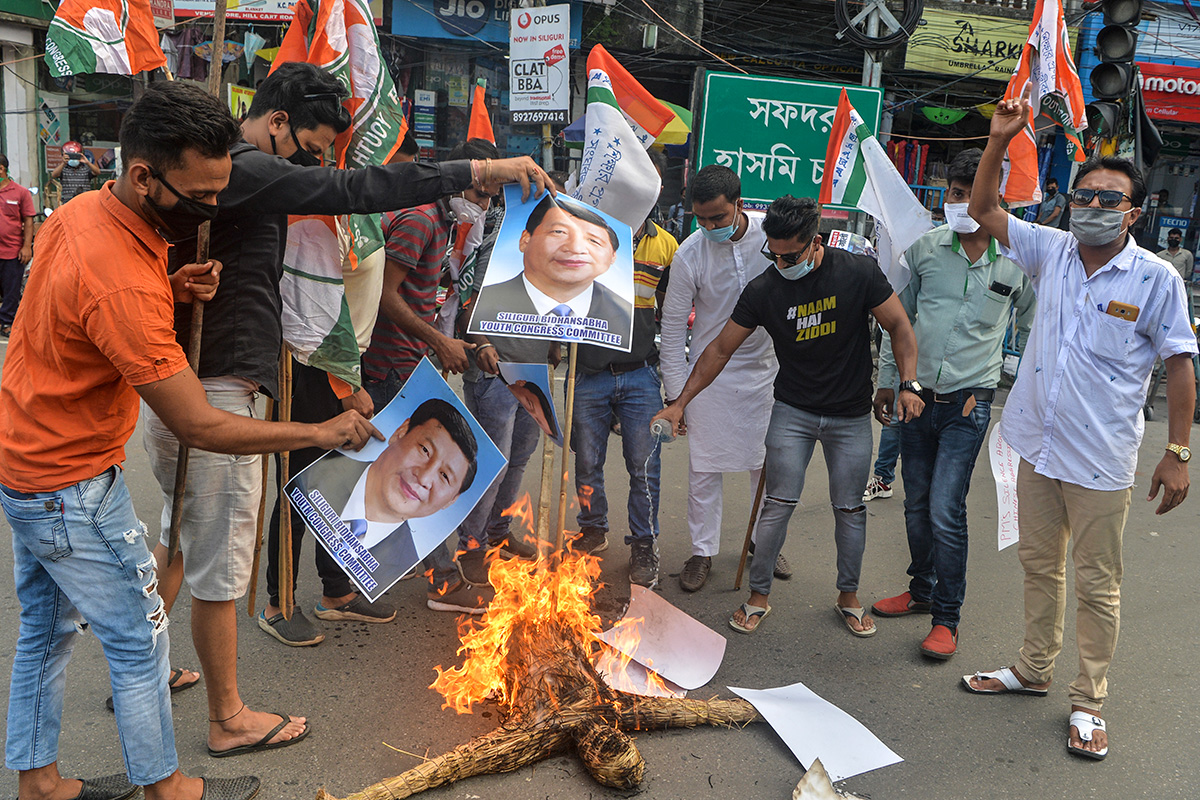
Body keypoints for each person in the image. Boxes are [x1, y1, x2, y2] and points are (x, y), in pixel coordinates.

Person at [135, 65, 547, 762]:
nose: (316, 165)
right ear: (276, 123)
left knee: (178, 539)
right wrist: (480, 166)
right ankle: (228, 715)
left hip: (191, 375)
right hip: (218, 384)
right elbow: (357, 188)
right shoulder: (247, 166)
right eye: (313, 147)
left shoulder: (220, 176)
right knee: (218, 565)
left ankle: (137, 668)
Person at [0, 81, 376, 800]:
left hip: (28, 466)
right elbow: (199, 423)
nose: (212, 210)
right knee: (142, 640)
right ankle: (165, 787)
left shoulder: (84, 215)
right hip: (71, 484)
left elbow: (82, 315)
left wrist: (172, 286)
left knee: (45, 637)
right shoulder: (119, 282)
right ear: (144, 175)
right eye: (201, 198)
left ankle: (39, 782)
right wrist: (321, 429)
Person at [962, 89, 1196, 761]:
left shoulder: (1155, 280)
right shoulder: (1051, 251)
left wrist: (1177, 451)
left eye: (1107, 199)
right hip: (1035, 445)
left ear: (1135, 210)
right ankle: (1034, 670)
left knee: (1097, 583)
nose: (1092, 208)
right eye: (1083, 196)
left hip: (1101, 459)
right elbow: (982, 211)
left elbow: (1181, 364)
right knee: (1040, 566)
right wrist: (1000, 140)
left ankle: (1088, 701)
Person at [653, 195, 923, 635]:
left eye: (790, 255)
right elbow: (719, 349)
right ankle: (758, 597)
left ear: (815, 242)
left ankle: (849, 597)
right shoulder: (765, 289)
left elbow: (899, 326)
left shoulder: (856, 272)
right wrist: (680, 400)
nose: (780, 263)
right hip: (793, 411)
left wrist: (908, 383)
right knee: (777, 504)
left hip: (850, 416)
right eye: (772, 255)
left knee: (850, 509)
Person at [869, 148, 1035, 659]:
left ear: (995, 198)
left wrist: (1025, 395)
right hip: (916, 399)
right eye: (954, 194)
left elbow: (1031, 330)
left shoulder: (1018, 261)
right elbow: (901, 322)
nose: (959, 203)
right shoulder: (923, 251)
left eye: (969, 194)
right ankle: (920, 591)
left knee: (945, 508)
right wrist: (889, 381)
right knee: (916, 505)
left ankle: (947, 617)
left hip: (969, 405)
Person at [353, 137, 503, 612]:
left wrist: (454, 342)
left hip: (411, 362)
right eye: (480, 196)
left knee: (410, 475)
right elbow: (385, 294)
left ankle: (363, 578)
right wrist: (438, 342)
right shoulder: (420, 220)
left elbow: (427, 297)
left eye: (489, 200)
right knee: (412, 474)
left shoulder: (441, 222)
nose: (482, 207)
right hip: (389, 367)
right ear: (459, 181)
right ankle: (439, 579)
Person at [660, 164, 783, 592]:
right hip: (708, 375)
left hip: (768, 371)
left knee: (768, 467)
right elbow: (674, 330)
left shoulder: (773, 236)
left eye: (718, 217)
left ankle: (763, 543)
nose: (710, 226)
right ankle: (702, 551)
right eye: (702, 219)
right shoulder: (689, 254)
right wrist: (678, 397)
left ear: (739, 203)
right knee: (704, 469)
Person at [568, 150, 678, 589]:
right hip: (590, 372)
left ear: (656, 192)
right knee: (587, 462)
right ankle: (592, 529)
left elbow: (674, 314)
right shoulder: (585, 238)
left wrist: (675, 384)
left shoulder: (667, 247)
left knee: (644, 467)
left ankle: (644, 545)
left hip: (640, 375)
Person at [289, 399, 478, 593]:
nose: (424, 477)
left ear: (451, 500)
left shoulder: (405, 556)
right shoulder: (318, 475)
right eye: (424, 450)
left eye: (445, 476)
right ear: (401, 432)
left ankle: (336, 593)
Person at [470, 193, 633, 350]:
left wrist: (553, 345)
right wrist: (483, 347)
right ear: (525, 240)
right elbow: (467, 316)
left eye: (594, 241)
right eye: (559, 232)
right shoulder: (491, 295)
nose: (576, 248)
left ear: (613, 257)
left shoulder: (621, 313)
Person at [0, 152, 34, 337]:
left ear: (1, 169)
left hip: (12, 251)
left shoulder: (20, 192)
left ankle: (7, 323)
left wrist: (27, 246)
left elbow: (28, 220)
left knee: (11, 291)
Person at [50, 140, 101, 204]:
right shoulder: (64, 168)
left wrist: (87, 162)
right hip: (68, 201)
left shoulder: (85, 168)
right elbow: (54, 175)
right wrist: (63, 163)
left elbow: (97, 172)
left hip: (84, 200)